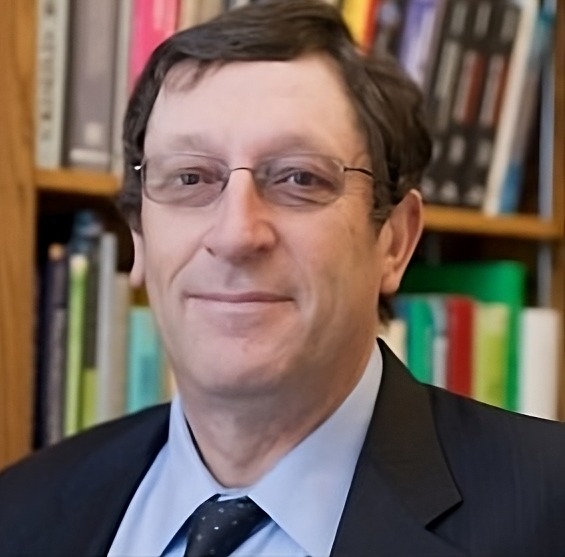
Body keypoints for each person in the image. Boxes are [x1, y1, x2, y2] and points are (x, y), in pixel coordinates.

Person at [1, 1, 565, 555]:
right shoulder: (21, 512)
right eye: (191, 177)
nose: (237, 234)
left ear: (394, 241)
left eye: (299, 177)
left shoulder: (547, 508)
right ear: (141, 239)